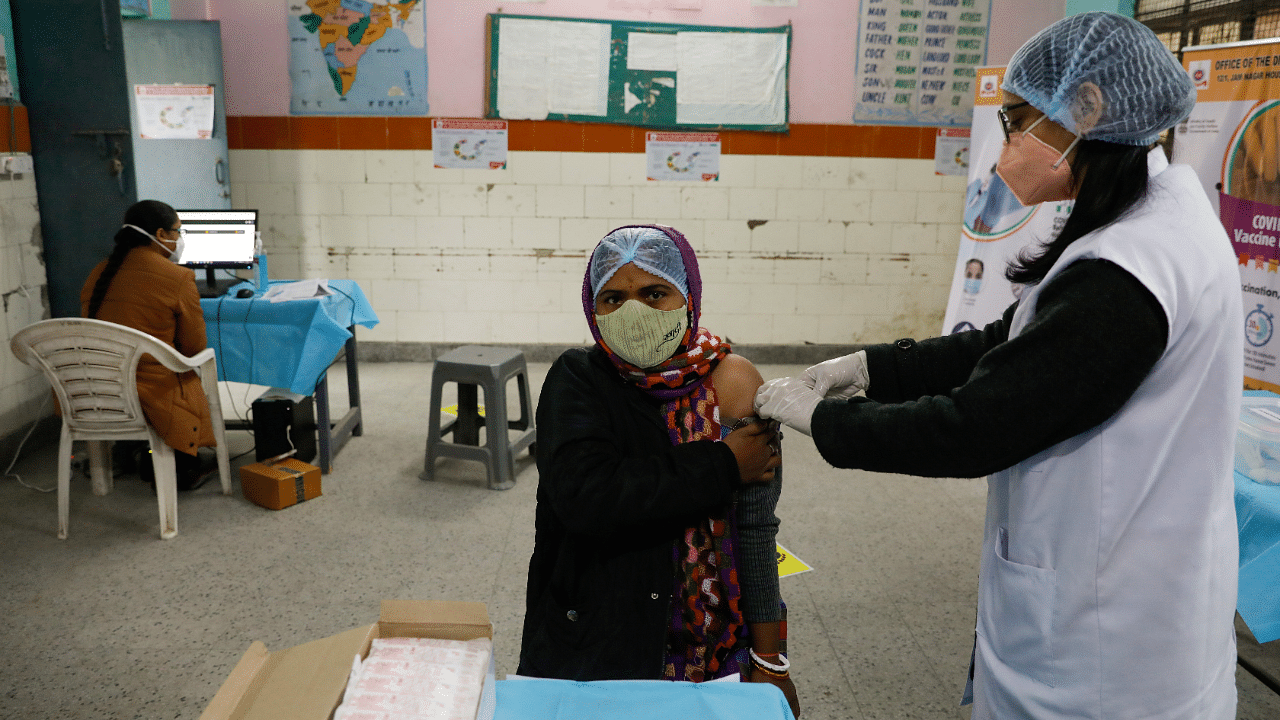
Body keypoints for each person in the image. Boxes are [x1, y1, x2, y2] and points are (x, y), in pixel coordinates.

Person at [755, 13, 1241, 720]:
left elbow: (974, 429)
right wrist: (869, 367)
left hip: (1106, 644)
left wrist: (827, 420)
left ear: (1088, 109)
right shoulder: (1146, 212)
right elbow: (1011, 340)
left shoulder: (1129, 272)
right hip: (1136, 582)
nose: (1007, 144)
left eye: (1017, 120)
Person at [519, 225, 800, 717]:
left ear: (687, 294)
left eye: (654, 293)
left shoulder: (735, 382)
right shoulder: (578, 380)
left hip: (714, 644)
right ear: (593, 309)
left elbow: (754, 531)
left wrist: (770, 660)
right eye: (613, 298)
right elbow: (588, 497)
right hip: (598, 641)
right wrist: (726, 463)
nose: (635, 312)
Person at [81, 200, 217, 490]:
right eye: (178, 232)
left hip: (101, 387)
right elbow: (194, 348)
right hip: (151, 393)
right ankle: (184, 464)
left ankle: (130, 451)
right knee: (185, 373)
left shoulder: (98, 273)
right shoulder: (178, 277)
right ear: (160, 234)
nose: (180, 240)